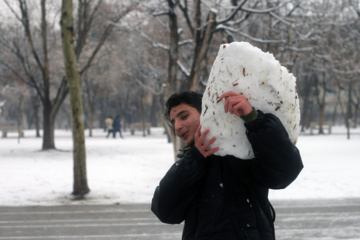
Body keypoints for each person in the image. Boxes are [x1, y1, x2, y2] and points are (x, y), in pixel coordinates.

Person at [151, 91, 303, 240]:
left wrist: (254, 119)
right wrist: (195, 159)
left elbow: (285, 173)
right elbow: (165, 211)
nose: (177, 126)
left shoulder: (242, 150)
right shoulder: (189, 164)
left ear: (205, 112)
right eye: (173, 122)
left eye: (184, 116)